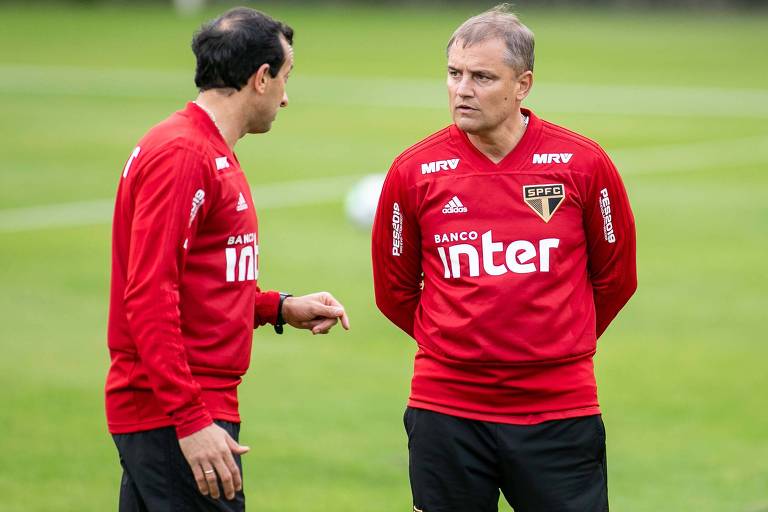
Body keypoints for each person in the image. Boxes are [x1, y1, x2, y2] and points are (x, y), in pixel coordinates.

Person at [372, 5, 636, 511]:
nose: (462, 89)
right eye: (454, 74)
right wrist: (459, 343)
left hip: (559, 408)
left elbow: (616, 277)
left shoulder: (582, 164)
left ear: (523, 84)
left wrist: (555, 339)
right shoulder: (414, 171)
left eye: (482, 76)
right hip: (446, 409)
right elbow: (394, 290)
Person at [106, 8, 350, 511]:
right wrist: (191, 420)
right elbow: (150, 293)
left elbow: (203, 281)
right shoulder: (184, 155)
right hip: (175, 411)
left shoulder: (206, 148)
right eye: (284, 78)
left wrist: (277, 308)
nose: (285, 96)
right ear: (260, 78)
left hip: (182, 407)